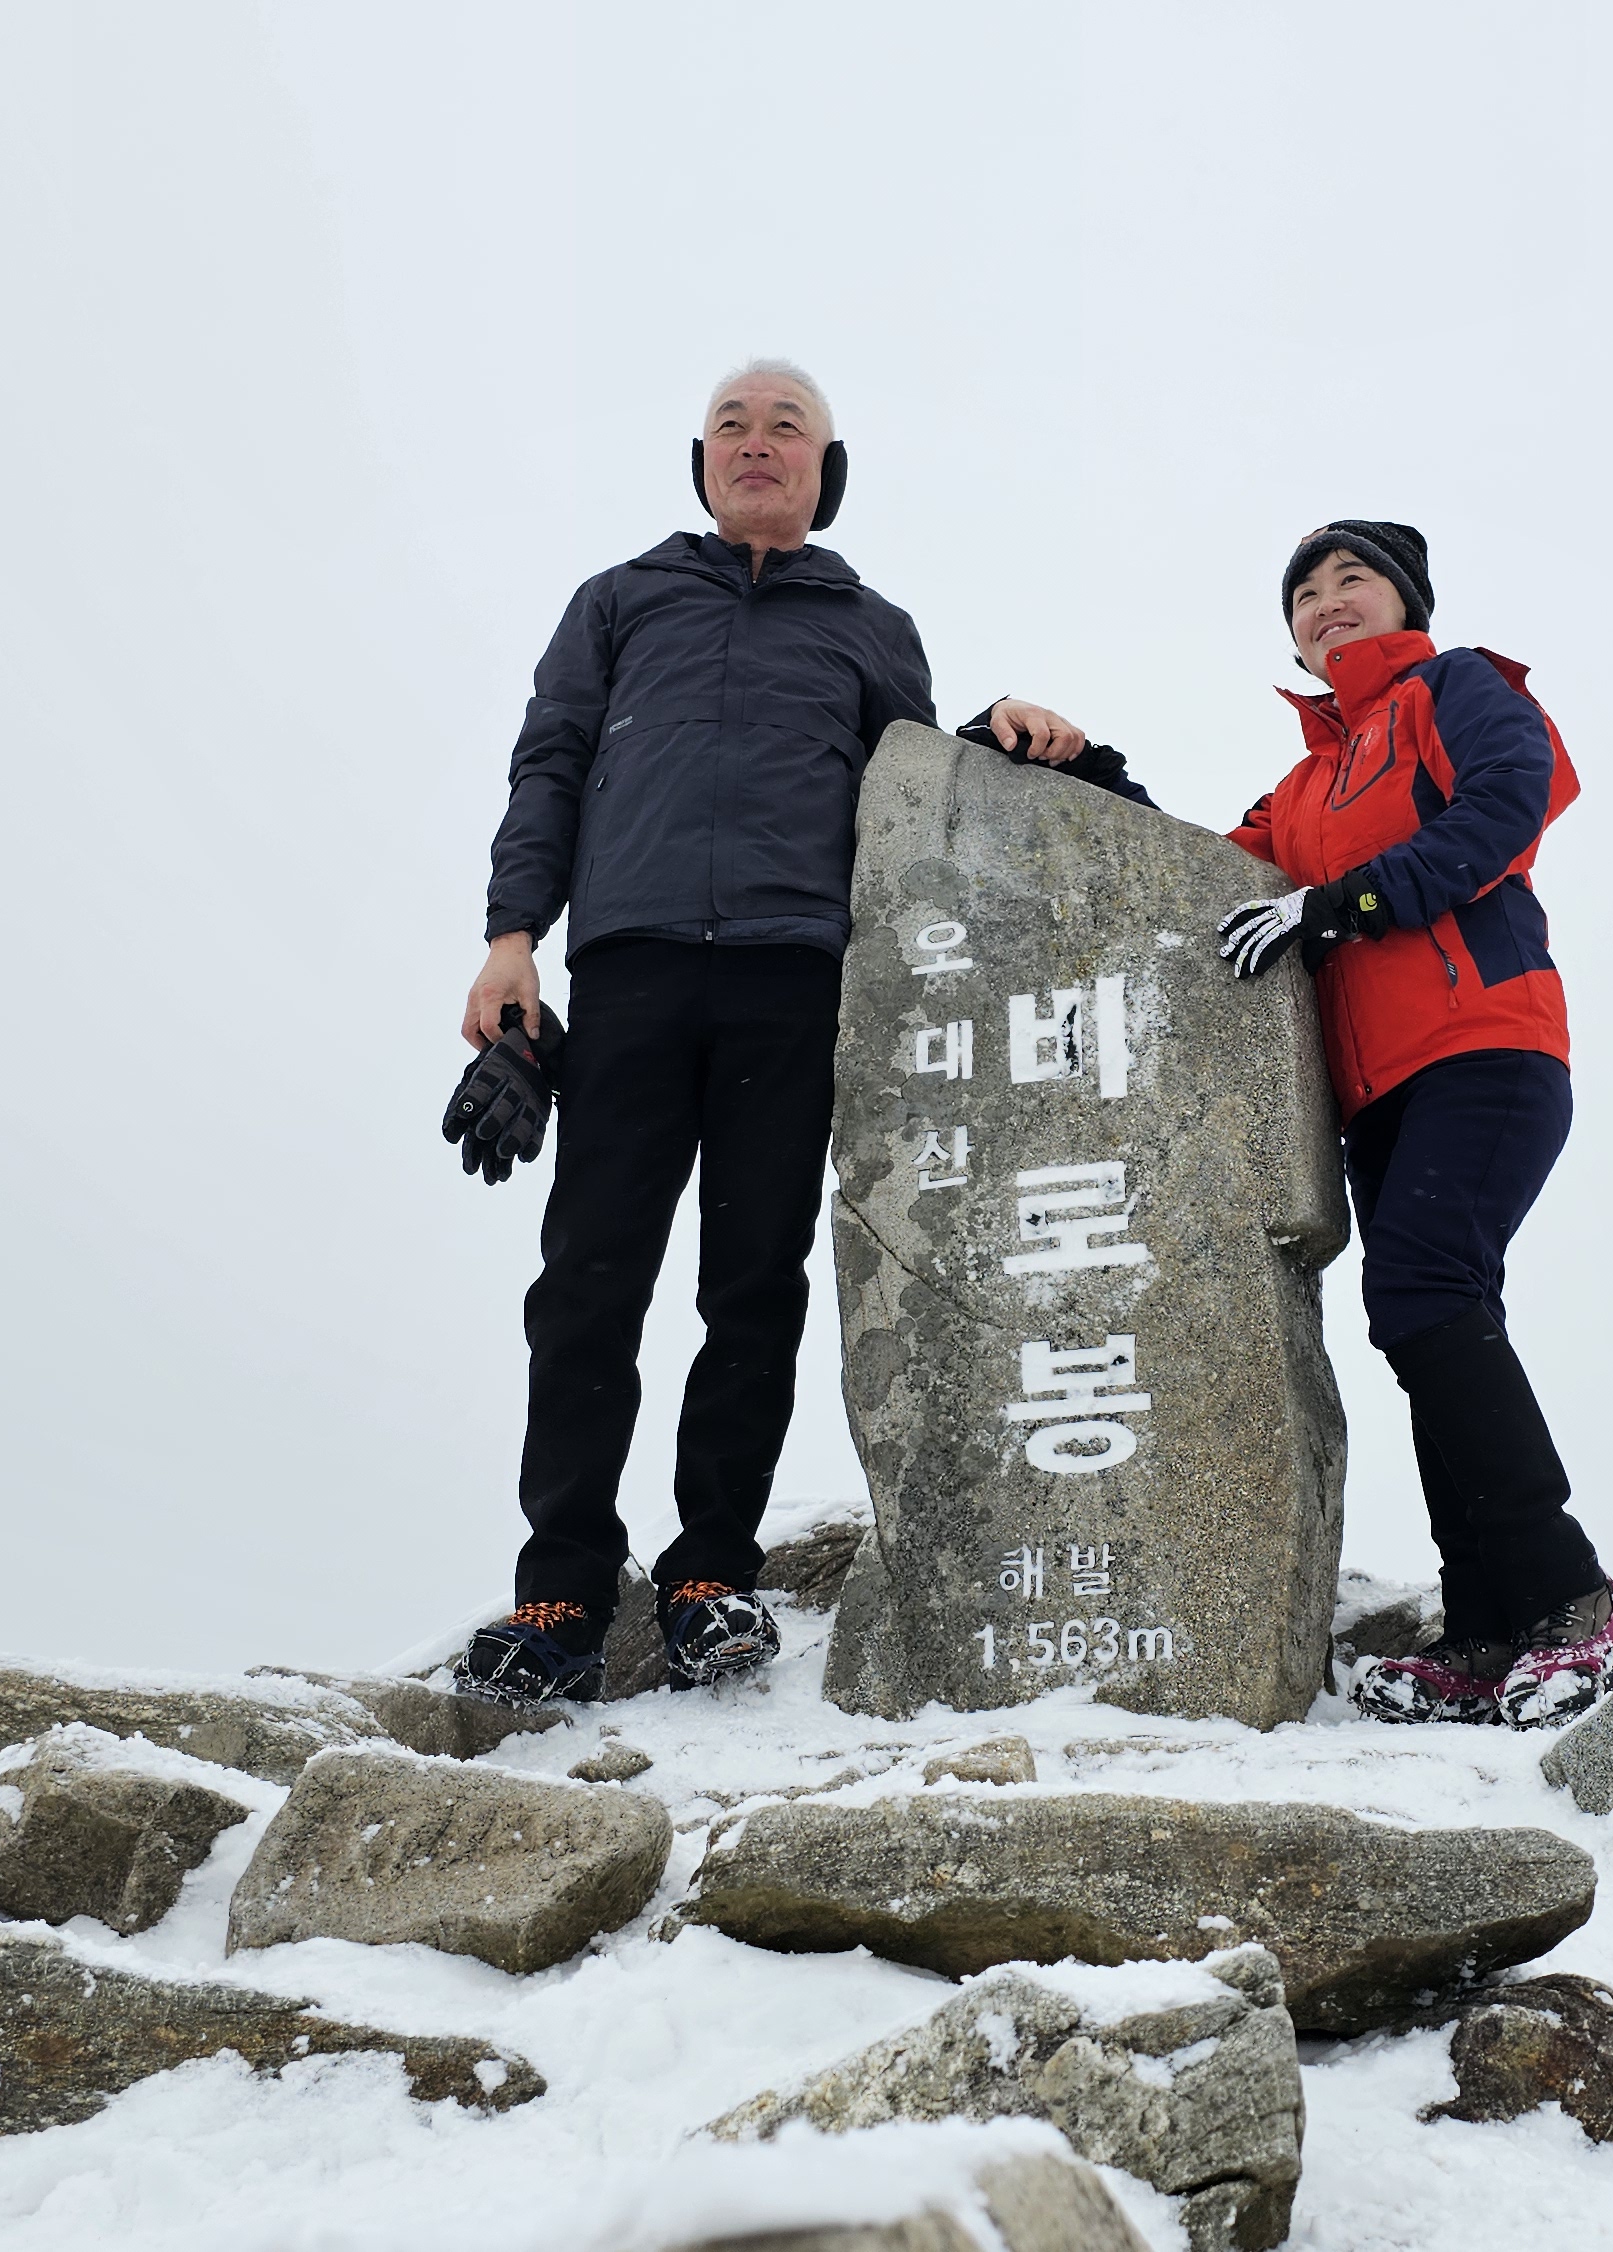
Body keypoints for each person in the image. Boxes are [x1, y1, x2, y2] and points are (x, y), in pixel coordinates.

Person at [446, 361, 1147, 1708]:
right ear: (701, 461)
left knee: (753, 1284)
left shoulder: (871, 627)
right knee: (588, 1283)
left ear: (828, 472)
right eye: (733, 425)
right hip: (634, 969)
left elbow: (910, 790)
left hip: (794, 983)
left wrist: (1001, 731)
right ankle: (563, 1590)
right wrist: (511, 935)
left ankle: (710, 1574)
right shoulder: (620, 601)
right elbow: (550, 762)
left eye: (788, 428)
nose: (757, 443)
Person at [1213, 520, 1613, 1728]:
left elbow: (1509, 802)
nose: (1327, 600)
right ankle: (1488, 1629)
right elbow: (1204, 873)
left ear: (1406, 601)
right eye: (1304, 592)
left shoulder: (1455, 688)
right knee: (1423, 1312)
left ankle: (1568, 1595)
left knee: (1423, 1290)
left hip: (1484, 1043)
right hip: (1376, 1089)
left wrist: (1344, 901)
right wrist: (1074, 765)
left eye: (1352, 577)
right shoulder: (1302, 785)